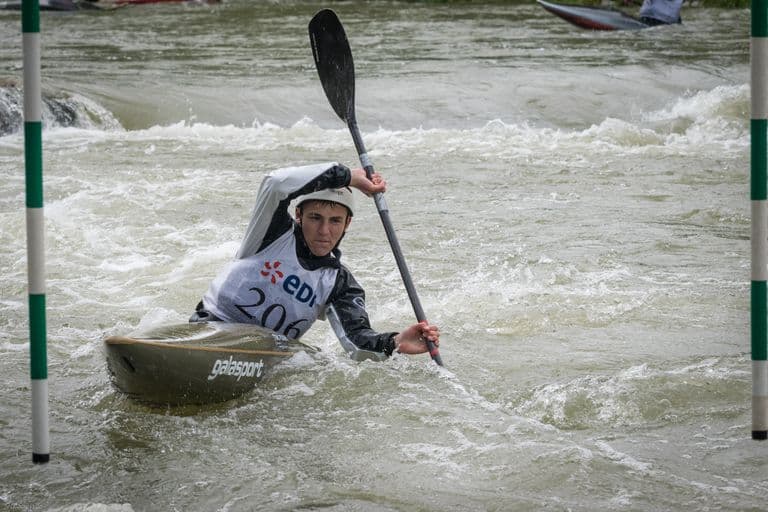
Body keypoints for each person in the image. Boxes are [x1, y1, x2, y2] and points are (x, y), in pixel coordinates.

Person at [191, 162, 440, 358]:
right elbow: (275, 183)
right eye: (315, 217)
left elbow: (356, 342)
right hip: (211, 328)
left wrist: (395, 343)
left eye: (335, 221)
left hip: (262, 355)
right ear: (298, 214)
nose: (324, 231)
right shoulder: (271, 233)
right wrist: (346, 176)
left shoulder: (339, 283)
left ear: (347, 224)